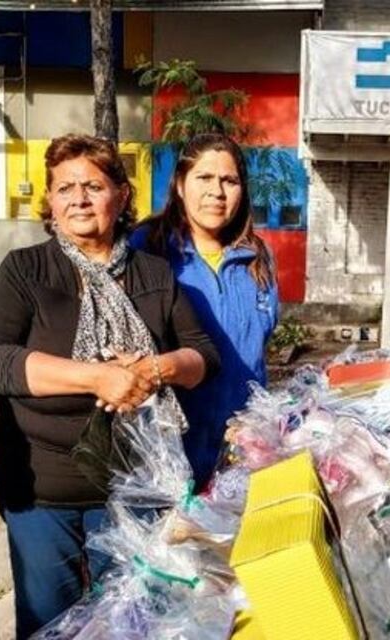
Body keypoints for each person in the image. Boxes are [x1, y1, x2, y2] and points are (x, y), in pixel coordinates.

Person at [0, 134, 220, 638]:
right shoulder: (26, 270)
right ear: (50, 200)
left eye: (93, 186)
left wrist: (153, 369)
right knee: (51, 625)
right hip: (44, 491)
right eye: (64, 188)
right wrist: (95, 376)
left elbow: (203, 356)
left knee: (129, 623)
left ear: (122, 196)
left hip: (134, 489)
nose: (79, 199)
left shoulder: (153, 274)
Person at [131, 133, 279, 490]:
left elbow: (258, 354)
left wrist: (261, 426)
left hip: (239, 453)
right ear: (180, 184)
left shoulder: (257, 258)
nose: (217, 191)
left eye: (229, 180)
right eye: (204, 178)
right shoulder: (146, 248)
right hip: (164, 455)